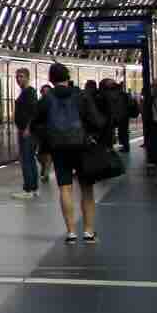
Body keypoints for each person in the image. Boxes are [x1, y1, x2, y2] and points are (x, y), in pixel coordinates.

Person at [35, 62, 107, 244]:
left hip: (58, 148)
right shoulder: (81, 96)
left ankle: (71, 232)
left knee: (65, 188)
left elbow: (36, 124)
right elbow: (97, 121)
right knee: (86, 188)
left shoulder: (46, 98)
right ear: (68, 77)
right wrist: (92, 136)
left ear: (51, 79)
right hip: (81, 146)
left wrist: (49, 137)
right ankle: (89, 232)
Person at [13, 67, 41, 200]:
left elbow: (33, 112)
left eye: (21, 76)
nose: (19, 79)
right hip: (26, 131)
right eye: (17, 77)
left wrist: (27, 129)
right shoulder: (26, 92)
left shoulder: (29, 92)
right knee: (30, 159)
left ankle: (28, 189)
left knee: (26, 160)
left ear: (27, 77)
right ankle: (34, 188)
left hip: (27, 132)